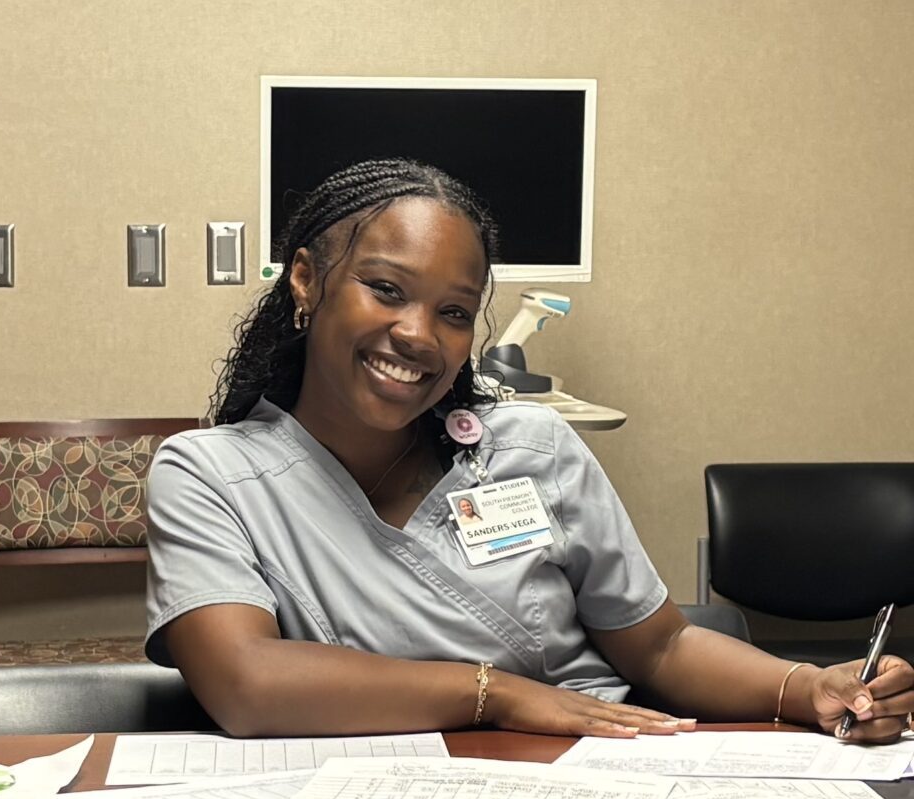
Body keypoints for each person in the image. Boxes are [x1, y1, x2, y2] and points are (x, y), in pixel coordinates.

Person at [145, 158, 914, 742]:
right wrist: (497, 692)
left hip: (602, 767)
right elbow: (247, 681)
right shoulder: (211, 476)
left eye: (453, 311)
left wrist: (805, 685)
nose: (418, 334)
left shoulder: (532, 445)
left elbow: (663, 645)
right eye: (385, 289)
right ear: (306, 282)